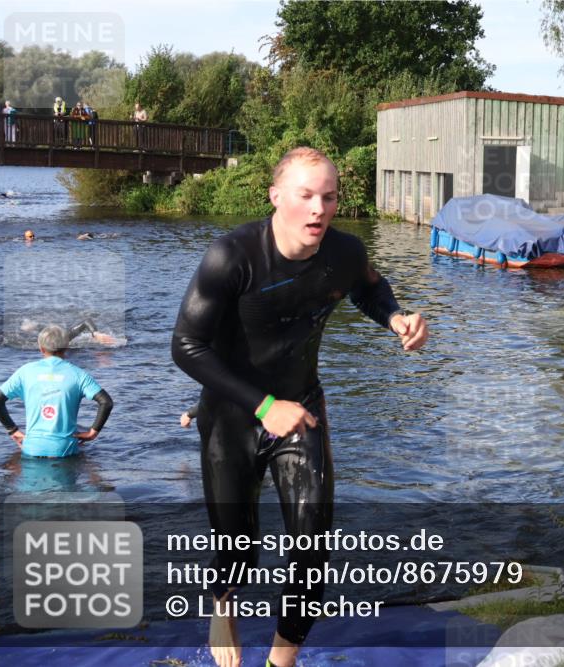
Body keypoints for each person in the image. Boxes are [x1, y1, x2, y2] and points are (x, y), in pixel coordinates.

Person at [171, 146, 428, 667]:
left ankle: (280, 661)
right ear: (276, 197)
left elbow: (371, 290)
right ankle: (224, 605)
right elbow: (185, 346)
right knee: (238, 546)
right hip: (230, 413)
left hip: (302, 407)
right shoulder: (232, 256)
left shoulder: (345, 252)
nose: (319, 208)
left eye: (329, 197)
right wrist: (264, 405)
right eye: (306, 195)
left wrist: (396, 318)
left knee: (312, 550)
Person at [0, 325, 113, 458]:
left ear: (41, 348)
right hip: (64, 450)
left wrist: (12, 430)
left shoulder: (25, 371)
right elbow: (106, 402)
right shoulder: (79, 374)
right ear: (66, 347)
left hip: (31, 449)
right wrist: (92, 433)